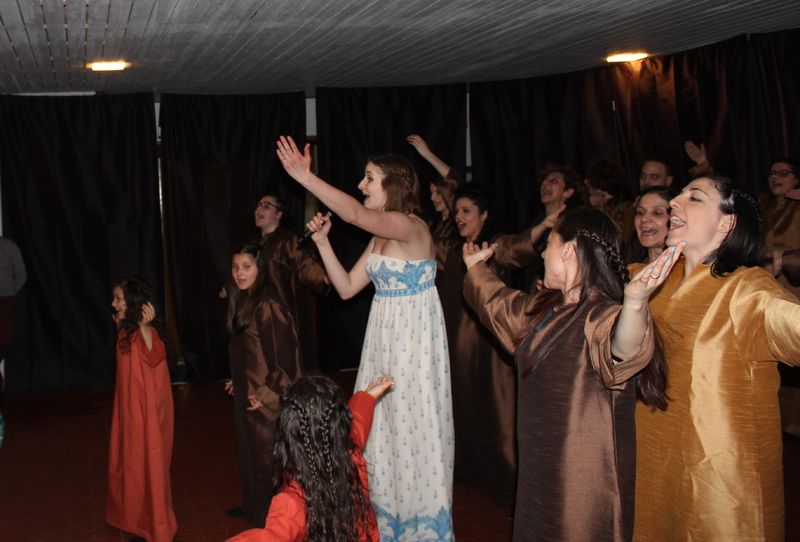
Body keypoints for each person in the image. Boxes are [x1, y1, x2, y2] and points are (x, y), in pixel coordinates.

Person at [276, 135, 454, 541]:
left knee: (411, 433)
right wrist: (323, 242)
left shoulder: (410, 225)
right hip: (382, 343)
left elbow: (354, 214)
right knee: (380, 431)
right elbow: (345, 288)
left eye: (369, 178)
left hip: (412, 349)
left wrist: (306, 178)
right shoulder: (380, 235)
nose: (361, 184)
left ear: (394, 184)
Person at [461, 207, 670, 541]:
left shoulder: (601, 315)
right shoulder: (547, 309)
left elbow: (623, 349)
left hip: (585, 485)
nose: (543, 254)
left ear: (569, 250)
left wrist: (634, 304)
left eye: (549, 244)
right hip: (538, 474)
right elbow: (500, 305)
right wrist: (476, 268)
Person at [632, 174, 800, 541]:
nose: (674, 202)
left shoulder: (747, 289)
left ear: (727, 222)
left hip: (719, 480)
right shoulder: (649, 279)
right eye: (678, 195)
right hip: (652, 460)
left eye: (694, 197)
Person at [226, 374, 395, 542]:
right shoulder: (352, 455)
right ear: (340, 423)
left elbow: (270, 537)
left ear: (288, 433)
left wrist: (367, 396)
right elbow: (358, 423)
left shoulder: (293, 499)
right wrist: (367, 397)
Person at [436, 183, 517, 509]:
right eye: (457, 211)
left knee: (496, 412)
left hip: (490, 346)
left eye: (466, 210)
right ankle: (468, 471)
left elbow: (523, 247)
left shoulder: (496, 248)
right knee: (462, 405)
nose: (459, 216)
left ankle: (507, 485)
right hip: (457, 344)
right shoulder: (453, 251)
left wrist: (546, 224)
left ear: (484, 215)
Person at [226, 243, 303, 526]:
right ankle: (255, 508)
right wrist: (238, 381)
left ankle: (272, 521)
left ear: (260, 268)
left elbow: (284, 358)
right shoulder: (244, 297)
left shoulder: (267, 302)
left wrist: (267, 394)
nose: (239, 273)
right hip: (248, 393)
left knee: (268, 461)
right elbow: (249, 351)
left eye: (246, 267)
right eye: (235, 267)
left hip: (266, 399)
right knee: (250, 457)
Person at [106, 276, 177, 542]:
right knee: (132, 466)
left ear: (134, 302)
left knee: (149, 466)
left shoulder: (147, 332)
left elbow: (154, 356)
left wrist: (145, 325)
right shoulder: (126, 330)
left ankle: (155, 525)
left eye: (119, 299)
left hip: (147, 415)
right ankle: (135, 520)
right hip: (130, 411)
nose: (114, 304)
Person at [492, 164, 583, 293]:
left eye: (553, 181)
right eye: (544, 181)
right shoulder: (538, 222)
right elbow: (517, 252)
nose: (545, 184)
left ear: (568, 192)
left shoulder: (572, 223)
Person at [759, 158, 800, 436]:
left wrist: (783, 259)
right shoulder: (764, 206)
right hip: (765, 293)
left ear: (796, 178)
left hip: (793, 292)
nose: (776, 177)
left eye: (784, 173)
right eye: (772, 173)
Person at [406, 134, 462, 271]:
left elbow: (453, 180)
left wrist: (427, 154)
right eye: (431, 193)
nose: (433, 198)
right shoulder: (432, 225)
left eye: (438, 193)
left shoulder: (457, 224)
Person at [0, 236, 26, 449]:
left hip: (5, 303)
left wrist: (8, 294)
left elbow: (22, 276)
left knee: (3, 344)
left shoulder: (8, 246)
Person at [626, 186, 674, 264]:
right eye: (640, 212)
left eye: (657, 213)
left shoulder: (689, 269)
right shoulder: (629, 268)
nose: (644, 218)